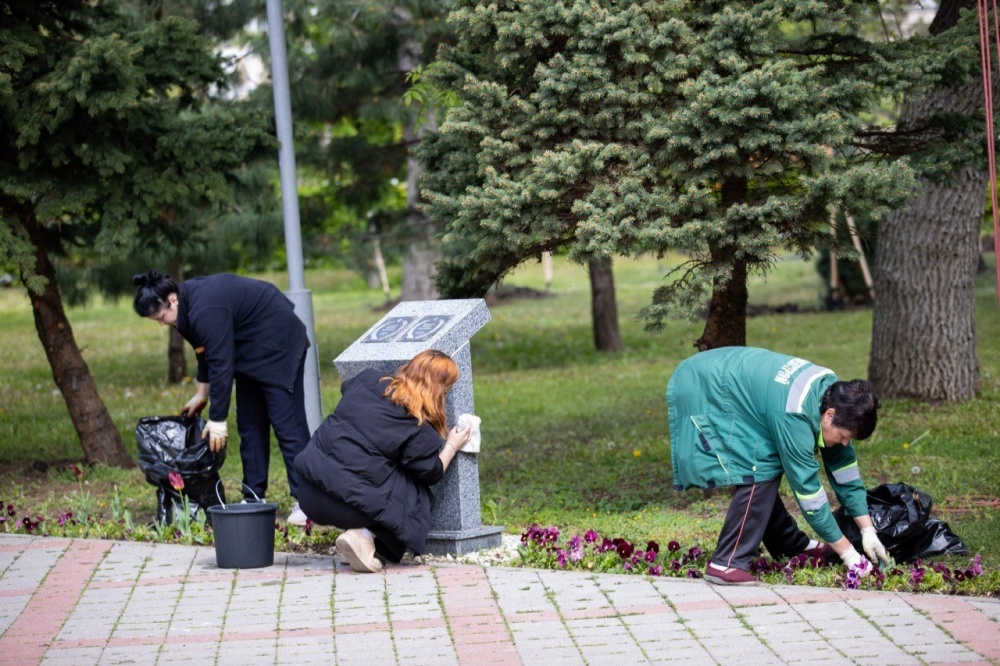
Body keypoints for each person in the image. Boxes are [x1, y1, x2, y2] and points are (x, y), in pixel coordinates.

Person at [666, 346, 890, 585]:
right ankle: (727, 563)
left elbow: (844, 470)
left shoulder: (836, 393)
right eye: (844, 435)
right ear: (829, 415)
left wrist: (868, 530)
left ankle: (791, 546)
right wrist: (849, 554)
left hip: (735, 382)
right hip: (704, 385)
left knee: (764, 462)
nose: (845, 443)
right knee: (758, 466)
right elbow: (809, 495)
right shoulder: (795, 415)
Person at [132, 271, 311, 525]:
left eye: (161, 317)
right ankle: (253, 497)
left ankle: (307, 501)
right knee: (249, 424)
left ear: (172, 299)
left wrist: (217, 419)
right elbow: (203, 351)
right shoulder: (183, 309)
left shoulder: (205, 309)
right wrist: (201, 395)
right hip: (249, 349)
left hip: (277, 342)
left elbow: (221, 364)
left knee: (286, 423)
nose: (161, 323)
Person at [293, 350, 472, 573]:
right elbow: (432, 472)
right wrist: (452, 444)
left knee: (372, 468)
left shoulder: (368, 379)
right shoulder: (418, 427)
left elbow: (345, 388)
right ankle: (363, 536)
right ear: (439, 389)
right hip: (346, 508)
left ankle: (355, 544)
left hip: (307, 494)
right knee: (418, 494)